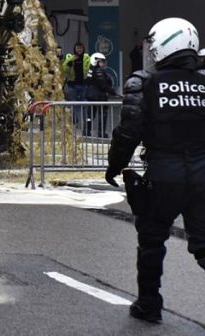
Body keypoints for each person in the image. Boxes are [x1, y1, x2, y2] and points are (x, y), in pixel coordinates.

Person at [106, 17, 205, 324]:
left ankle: (149, 305)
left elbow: (128, 133)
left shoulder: (145, 82)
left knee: (152, 241)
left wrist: (115, 165)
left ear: (163, 44)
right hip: (203, 177)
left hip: (164, 178)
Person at [85, 52, 115, 137]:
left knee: (90, 115)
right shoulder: (98, 71)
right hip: (99, 96)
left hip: (91, 95)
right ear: (96, 61)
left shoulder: (91, 70)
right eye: (101, 61)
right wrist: (113, 92)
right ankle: (101, 132)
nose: (103, 63)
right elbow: (103, 85)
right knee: (102, 115)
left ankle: (86, 131)